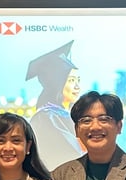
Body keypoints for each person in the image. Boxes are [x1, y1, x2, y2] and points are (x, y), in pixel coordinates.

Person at [27, 40, 84, 168]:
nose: (77, 86)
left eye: (78, 80)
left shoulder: (63, 115)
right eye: (71, 80)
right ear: (57, 83)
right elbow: (73, 155)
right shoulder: (46, 118)